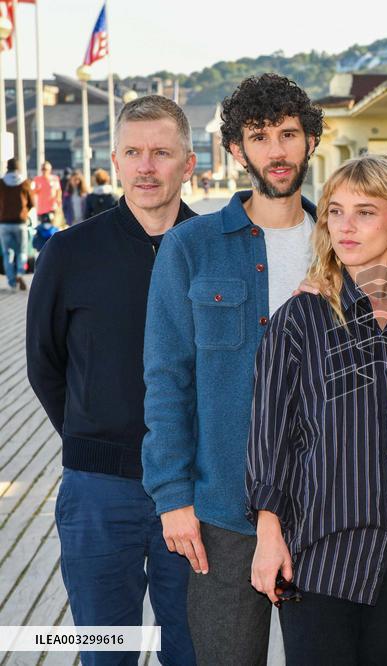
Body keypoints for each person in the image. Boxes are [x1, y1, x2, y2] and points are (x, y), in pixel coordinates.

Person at [142, 73, 323, 666]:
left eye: (289, 134)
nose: (277, 150)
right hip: (222, 508)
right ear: (236, 150)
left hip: (330, 509)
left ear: (311, 141)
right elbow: (167, 377)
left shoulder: (344, 242)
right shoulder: (190, 246)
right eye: (260, 136)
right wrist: (172, 497)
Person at [248, 155, 387, 665]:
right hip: (322, 553)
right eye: (335, 212)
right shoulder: (301, 317)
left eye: (365, 211)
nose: (346, 225)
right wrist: (268, 537)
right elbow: (271, 436)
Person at [26, 95, 198, 666]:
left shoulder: (216, 251)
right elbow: (43, 363)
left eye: (161, 152)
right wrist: (93, 435)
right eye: (133, 152)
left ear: (188, 163)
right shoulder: (69, 251)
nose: (146, 166)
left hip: (198, 492)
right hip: (98, 495)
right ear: (116, 161)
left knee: (196, 651)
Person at [0, 158, 34, 290]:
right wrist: (24, 212)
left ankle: (12, 282)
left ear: (7, 168)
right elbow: (32, 203)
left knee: (7, 252)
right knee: (22, 251)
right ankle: (20, 272)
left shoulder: (1, 183)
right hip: (20, 222)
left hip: (4, 223)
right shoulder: (24, 183)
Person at [33, 161, 62, 227]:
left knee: (52, 227)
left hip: (52, 208)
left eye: (45, 169)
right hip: (41, 209)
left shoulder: (55, 179)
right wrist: (37, 189)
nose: (44, 171)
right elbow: (33, 192)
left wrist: (59, 203)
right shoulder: (37, 179)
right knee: (43, 228)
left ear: (50, 170)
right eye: (42, 169)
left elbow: (58, 191)